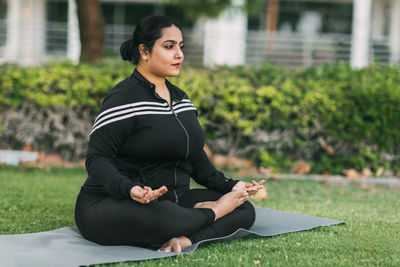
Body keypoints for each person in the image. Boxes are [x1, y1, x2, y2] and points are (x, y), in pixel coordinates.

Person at [74, 15, 265, 253]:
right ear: (144, 51)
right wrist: (131, 189)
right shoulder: (123, 98)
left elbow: (194, 158)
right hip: (114, 201)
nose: (179, 54)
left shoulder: (181, 99)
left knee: (244, 208)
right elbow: (96, 160)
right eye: (169, 46)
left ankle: (183, 240)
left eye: (181, 47)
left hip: (174, 200)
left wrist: (232, 186)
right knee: (168, 217)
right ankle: (212, 214)